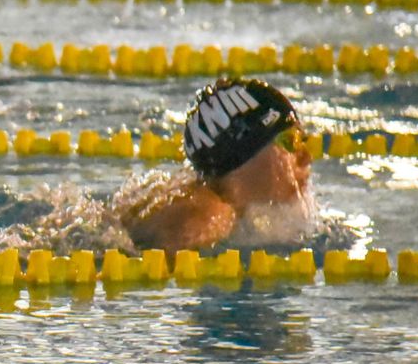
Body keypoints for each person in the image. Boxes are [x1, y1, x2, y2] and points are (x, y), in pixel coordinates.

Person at [116, 78, 313, 254]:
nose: (306, 157)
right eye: (290, 141)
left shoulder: (200, 200)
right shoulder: (208, 217)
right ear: (243, 152)